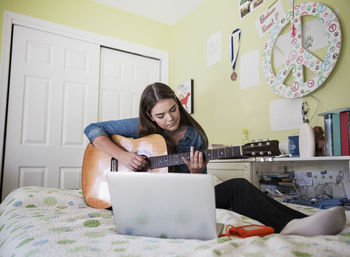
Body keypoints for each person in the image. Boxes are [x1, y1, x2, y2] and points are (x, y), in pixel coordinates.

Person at [84, 82, 346, 236]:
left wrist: (197, 174)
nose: (170, 119)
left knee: (238, 187)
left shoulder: (195, 137)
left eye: (173, 110)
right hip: (140, 197)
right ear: (150, 116)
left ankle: (295, 223)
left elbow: (193, 190)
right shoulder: (140, 129)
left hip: (177, 197)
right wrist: (124, 156)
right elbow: (92, 129)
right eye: (161, 115)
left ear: (179, 104)